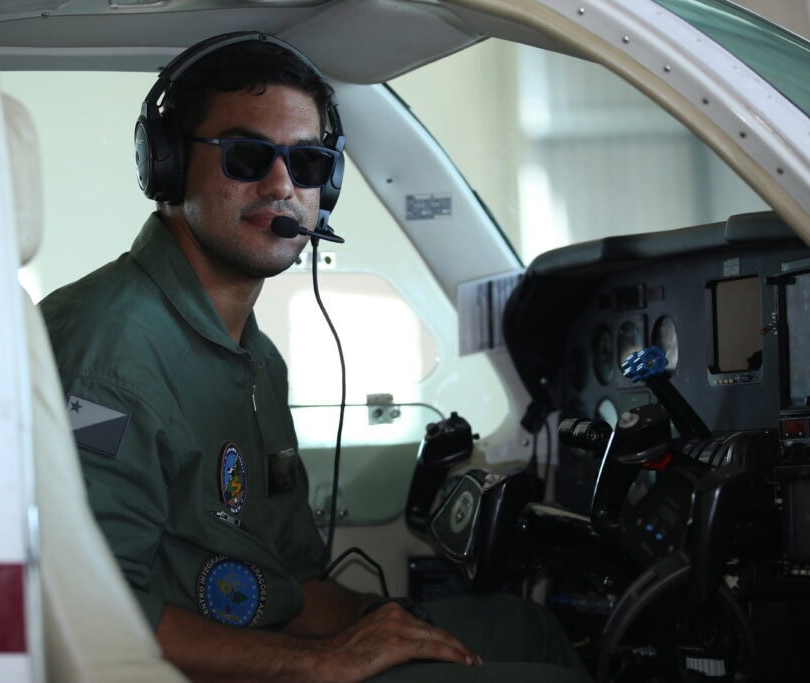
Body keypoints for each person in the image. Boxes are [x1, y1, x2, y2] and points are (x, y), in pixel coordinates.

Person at [41, 32, 591, 683]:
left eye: (307, 163)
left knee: (524, 627)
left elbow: (292, 580)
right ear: (165, 165)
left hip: (263, 639)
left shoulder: (256, 360)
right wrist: (324, 661)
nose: (282, 184)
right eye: (247, 156)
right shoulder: (109, 359)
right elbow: (91, 611)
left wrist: (382, 618)